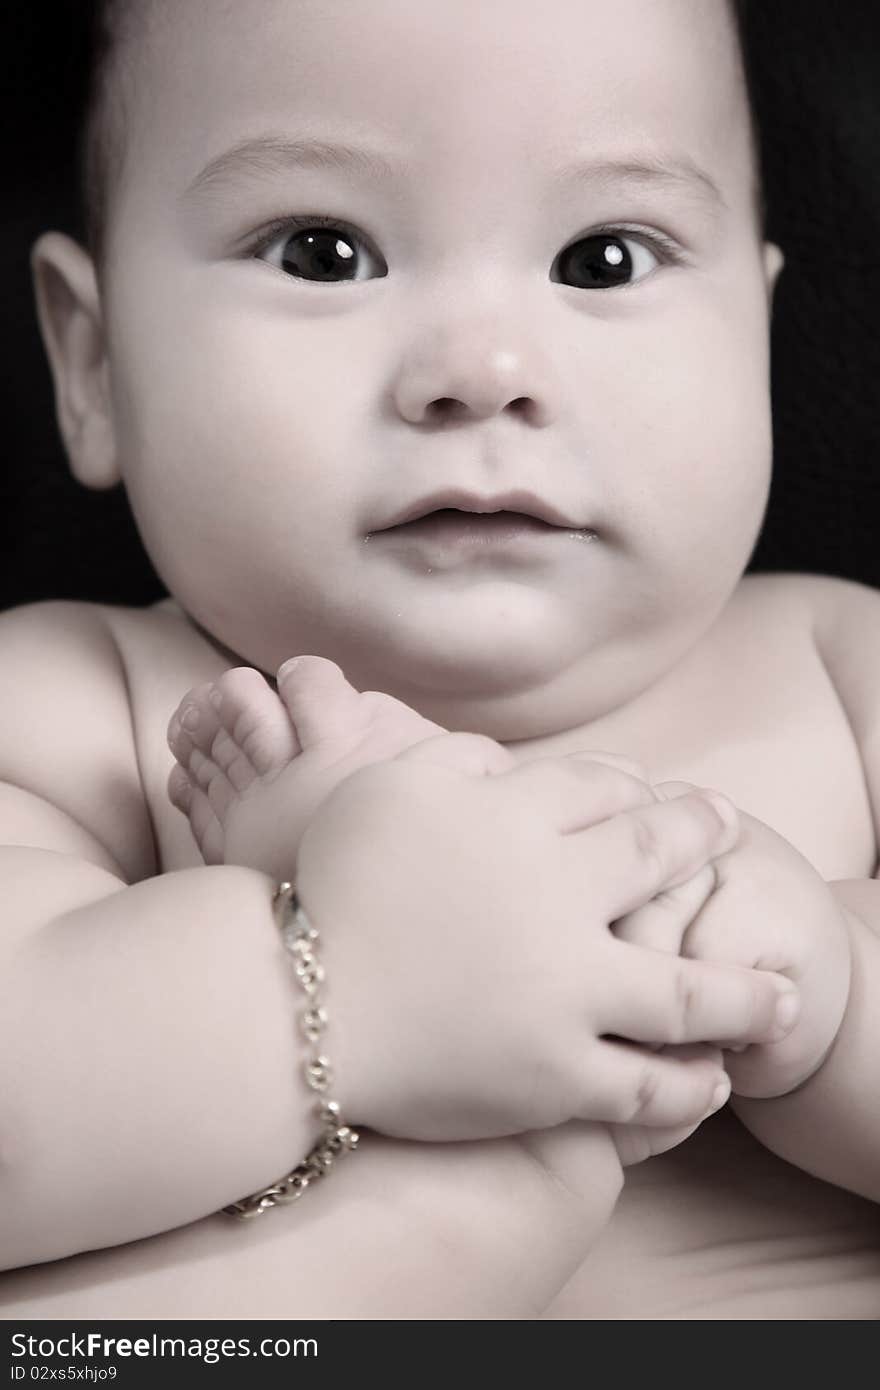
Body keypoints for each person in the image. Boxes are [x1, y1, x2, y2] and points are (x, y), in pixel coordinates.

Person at [1, 0, 879, 1319]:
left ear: (754, 330)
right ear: (95, 361)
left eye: (603, 258)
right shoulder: (73, 711)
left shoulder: (845, 668)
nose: (482, 370)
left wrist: (833, 994)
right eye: (322, 250)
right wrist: (345, 980)